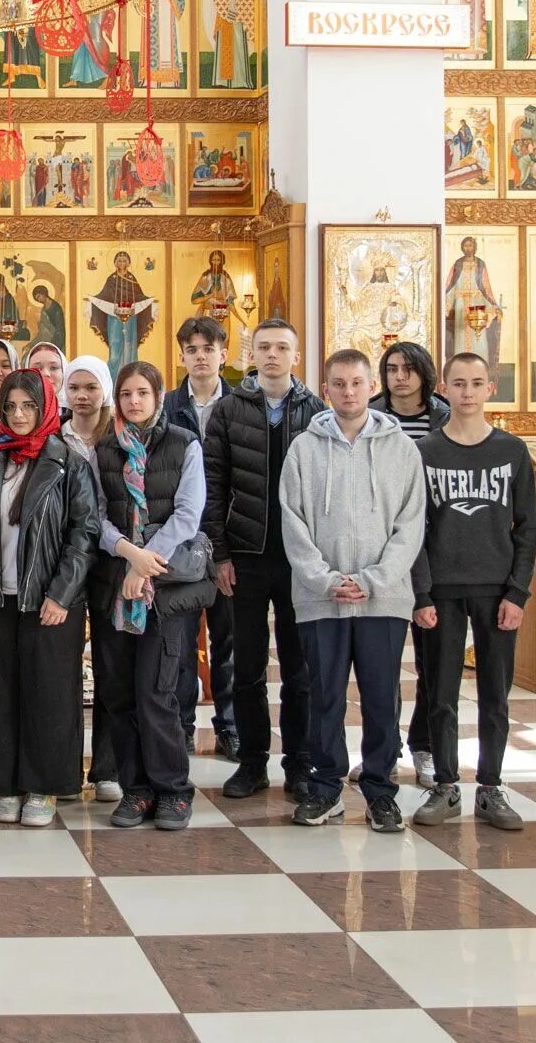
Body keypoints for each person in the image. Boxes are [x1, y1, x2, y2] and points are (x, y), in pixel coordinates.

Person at [281, 349, 427, 831]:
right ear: (326, 390)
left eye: (357, 383)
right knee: (324, 696)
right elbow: (293, 521)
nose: (348, 391)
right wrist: (324, 579)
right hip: (320, 597)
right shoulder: (304, 447)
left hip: (382, 598)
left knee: (382, 696)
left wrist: (373, 580)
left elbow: (410, 524)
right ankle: (325, 788)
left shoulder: (400, 447)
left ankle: (381, 790)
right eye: (339, 384)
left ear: (371, 387)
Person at [0, 368, 97, 824]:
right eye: (10, 405)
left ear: (45, 407)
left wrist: (62, 592)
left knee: (48, 692)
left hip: (51, 601)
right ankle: (2, 782)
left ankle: (44, 786)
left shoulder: (68, 461)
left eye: (28, 406)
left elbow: (84, 532)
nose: (18, 414)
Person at [409, 352, 536, 831]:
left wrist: (518, 593)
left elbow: (528, 528)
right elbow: (413, 529)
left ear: (490, 387)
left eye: (476, 383)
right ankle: (445, 785)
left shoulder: (511, 451)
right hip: (441, 590)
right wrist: (421, 595)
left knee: (495, 696)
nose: (466, 392)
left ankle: (491, 786)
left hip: (496, 589)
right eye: (458, 383)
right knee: (440, 692)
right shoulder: (426, 452)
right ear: (445, 387)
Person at [203, 318, 325, 799]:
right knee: (246, 666)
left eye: (282, 347)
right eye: (264, 347)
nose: (272, 355)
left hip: (300, 560)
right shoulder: (231, 410)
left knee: (300, 670)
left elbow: (325, 491)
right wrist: (220, 553)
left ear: (296, 355)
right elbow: (213, 486)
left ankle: (299, 761)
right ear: (251, 353)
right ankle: (253, 760)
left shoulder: (316, 411)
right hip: (246, 556)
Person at [94, 362, 212, 830]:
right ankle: (136, 790)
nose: (134, 402)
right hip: (116, 585)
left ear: (159, 396)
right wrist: (127, 555)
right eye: (126, 394)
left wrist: (144, 562)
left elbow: (188, 515)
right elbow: (97, 517)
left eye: (143, 393)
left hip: (162, 592)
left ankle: (172, 791)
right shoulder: (103, 449)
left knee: (156, 692)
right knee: (119, 694)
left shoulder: (184, 445)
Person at [372, 339, 451, 789]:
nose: (399, 376)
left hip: (434, 552)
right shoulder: (370, 415)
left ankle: (423, 747)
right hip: (382, 551)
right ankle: (382, 752)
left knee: (432, 661)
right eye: (391, 368)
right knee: (380, 662)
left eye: (407, 368)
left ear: (424, 372)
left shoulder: (443, 416)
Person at [162, 316, 238, 761]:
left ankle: (229, 726)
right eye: (192, 349)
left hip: (228, 536)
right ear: (183, 356)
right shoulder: (169, 404)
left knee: (228, 639)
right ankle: (183, 725)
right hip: (181, 539)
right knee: (183, 638)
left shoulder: (240, 404)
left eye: (208, 348)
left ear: (223, 354)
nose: (201, 356)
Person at [59, 355, 119, 800]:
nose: (83, 396)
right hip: (67, 561)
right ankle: (61, 766)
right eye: (75, 387)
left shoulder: (119, 436)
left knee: (110, 665)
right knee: (62, 668)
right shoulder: (55, 437)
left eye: (91, 388)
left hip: (113, 561)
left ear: (105, 390)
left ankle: (107, 769)